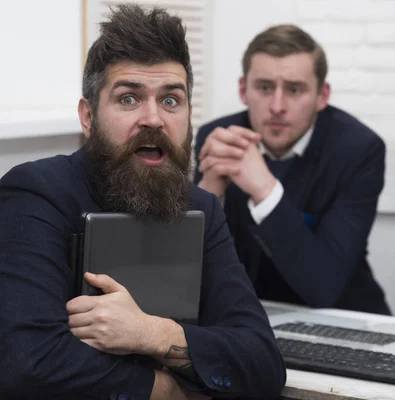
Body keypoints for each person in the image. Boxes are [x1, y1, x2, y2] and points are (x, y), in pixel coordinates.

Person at [0, 5, 286, 400]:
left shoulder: (202, 207)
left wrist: (153, 334)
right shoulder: (36, 193)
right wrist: (167, 390)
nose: (153, 119)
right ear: (88, 117)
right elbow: (27, 365)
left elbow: (263, 364)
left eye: (171, 101)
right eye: (129, 98)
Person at [194, 24, 390, 315]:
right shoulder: (218, 137)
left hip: (341, 320)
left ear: (322, 96)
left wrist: (265, 191)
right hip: (249, 318)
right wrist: (209, 196)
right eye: (264, 87)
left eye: (294, 90)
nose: (277, 106)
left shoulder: (359, 150)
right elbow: (190, 274)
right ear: (242, 90)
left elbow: (322, 285)